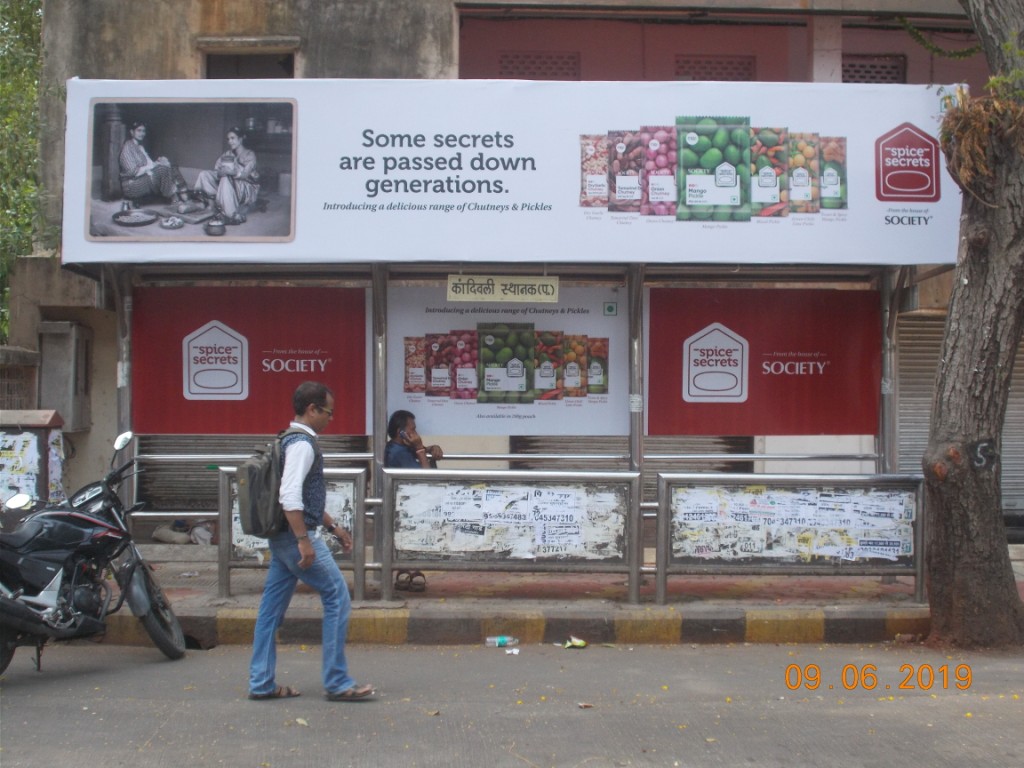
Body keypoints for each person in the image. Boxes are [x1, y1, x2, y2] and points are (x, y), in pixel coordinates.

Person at [248, 381, 374, 702]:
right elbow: (290, 496)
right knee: (337, 597)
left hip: (282, 538)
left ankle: (261, 682)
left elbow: (306, 496)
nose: (331, 418)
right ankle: (337, 681)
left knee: (270, 612)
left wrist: (333, 526)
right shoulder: (303, 444)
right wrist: (304, 540)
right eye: (328, 412)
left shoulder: (286, 438)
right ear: (312, 409)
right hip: (295, 538)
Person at [384, 410, 445, 592]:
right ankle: (407, 568)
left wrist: (427, 449)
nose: (416, 434)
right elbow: (425, 478)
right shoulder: (396, 453)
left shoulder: (404, 449)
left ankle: (410, 567)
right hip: (408, 506)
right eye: (413, 429)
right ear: (401, 432)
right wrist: (419, 449)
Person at [192, 126, 260, 224]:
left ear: (240, 139)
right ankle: (211, 205)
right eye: (228, 139)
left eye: (233, 138)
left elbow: (245, 175)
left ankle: (230, 214)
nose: (230, 141)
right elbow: (216, 170)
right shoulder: (227, 154)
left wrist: (230, 172)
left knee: (225, 177)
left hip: (246, 188)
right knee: (204, 174)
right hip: (229, 185)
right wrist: (221, 172)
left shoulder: (249, 154)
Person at [118, 121, 187, 205]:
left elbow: (149, 165)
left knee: (172, 166)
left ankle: (184, 193)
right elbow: (134, 172)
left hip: (144, 178)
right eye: (139, 131)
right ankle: (173, 198)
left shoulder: (140, 147)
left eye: (143, 131)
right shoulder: (128, 147)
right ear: (132, 132)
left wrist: (158, 162)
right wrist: (156, 165)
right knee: (162, 169)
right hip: (132, 185)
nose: (142, 133)